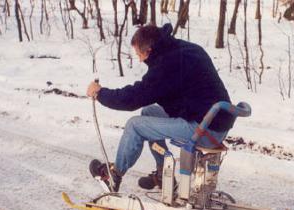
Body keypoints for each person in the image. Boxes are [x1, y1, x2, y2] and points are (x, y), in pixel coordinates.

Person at [86, 23, 235, 192]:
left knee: (135, 125)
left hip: (206, 129)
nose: (140, 60)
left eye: (139, 54)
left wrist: (100, 94)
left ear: (149, 50)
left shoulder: (167, 65)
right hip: (214, 119)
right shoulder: (184, 49)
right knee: (149, 112)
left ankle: (113, 177)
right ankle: (165, 176)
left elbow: (133, 98)